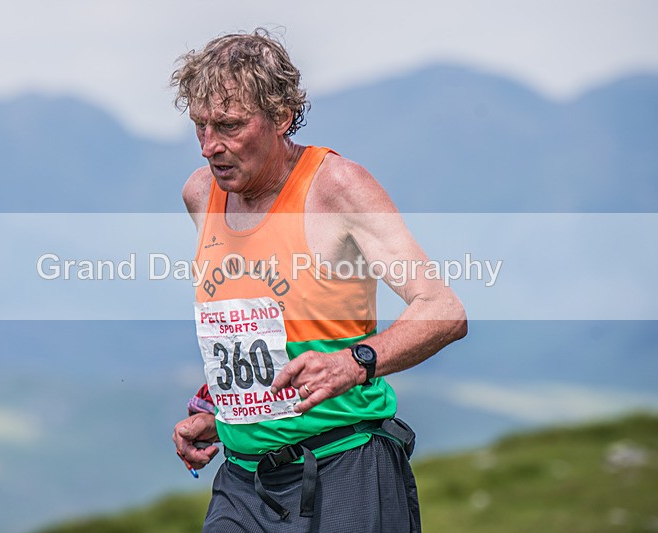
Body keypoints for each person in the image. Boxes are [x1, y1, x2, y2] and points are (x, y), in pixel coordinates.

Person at [170, 29, 467, 532]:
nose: (208, 147)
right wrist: (220, 407)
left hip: (344, 465)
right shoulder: (202, 194)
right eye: (200, 126)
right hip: (242, 481)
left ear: (281, 117)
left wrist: (355, 363)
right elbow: (261, 324)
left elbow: (443, 309)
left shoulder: (336, 187)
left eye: (229, 125)